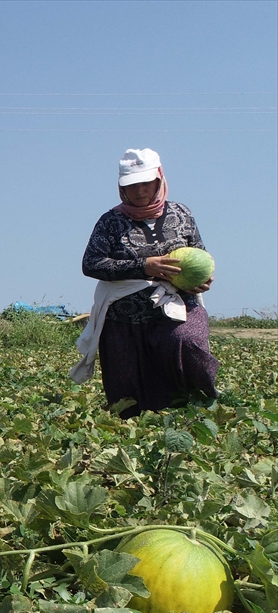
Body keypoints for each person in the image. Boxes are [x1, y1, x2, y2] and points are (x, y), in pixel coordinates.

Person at [71, 148, 217, 418]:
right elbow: (91, 263)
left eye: (146, 183)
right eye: (133, 185)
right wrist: (143, 266)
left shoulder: (182, 214)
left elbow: (201, 254)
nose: (140, 190)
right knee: (128, 392)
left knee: (186, 342)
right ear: (122, 188)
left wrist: (203, 280)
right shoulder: (110, 222)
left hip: (179, 305)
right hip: (124, 316)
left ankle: (200, 405)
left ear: (159, 180)